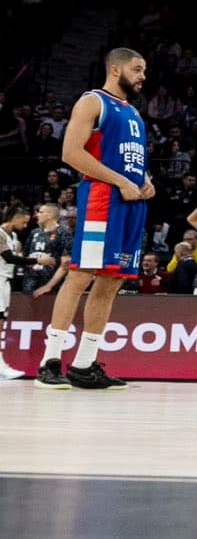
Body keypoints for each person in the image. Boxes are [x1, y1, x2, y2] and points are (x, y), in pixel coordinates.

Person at [35, 50, 154, 390]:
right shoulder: (92, 102)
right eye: (137, 69)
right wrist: (119, 181)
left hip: (130, 201)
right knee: (81, 275)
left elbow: (128, 160)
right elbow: (71, 153)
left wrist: (145, 180)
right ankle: (50, 362)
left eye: (144, 70)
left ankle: (84, 364)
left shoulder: (132, 111)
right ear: (115, 69)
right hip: (103, 199)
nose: (143, 75)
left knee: (111, 281)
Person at [0, 203, 32, 380]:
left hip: (5, 281)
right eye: (24, 222)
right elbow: (8, 258)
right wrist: (38, 260)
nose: (25, 226)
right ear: (16, 217)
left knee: (2, 321)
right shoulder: (0, 233)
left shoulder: (13, 236)